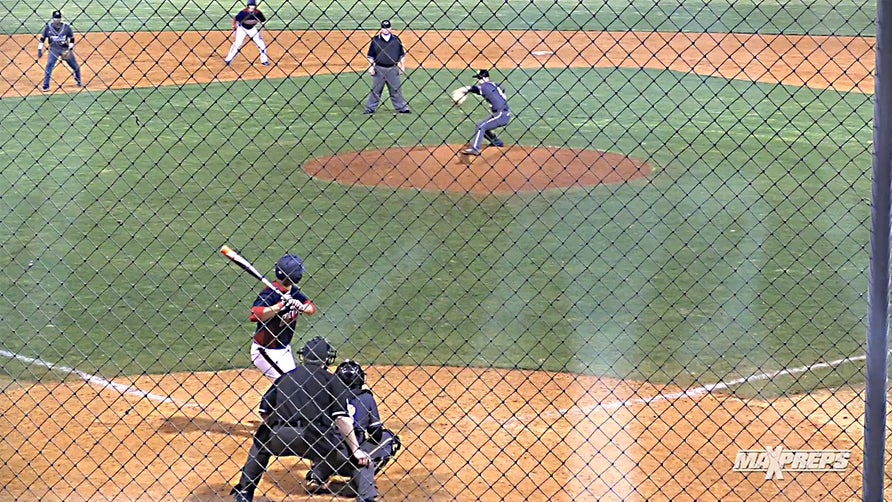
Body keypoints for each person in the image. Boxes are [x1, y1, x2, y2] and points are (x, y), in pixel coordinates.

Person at [231, 337, 376, 502]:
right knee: (362, 462)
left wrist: (278, 427)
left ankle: (243, 493)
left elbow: (264, 411)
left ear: (304, 356)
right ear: (326, 359)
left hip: (280, 436)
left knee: (260, 445)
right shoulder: (332, 380)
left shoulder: (286, 377)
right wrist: (356, 450)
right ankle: (365, 498)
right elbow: (341, 419)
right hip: (314, 438)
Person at [305, 360, 401, 494]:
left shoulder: (325, 397)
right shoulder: (367, 398)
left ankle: (316, 477)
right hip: (354, 459)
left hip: (327, 455)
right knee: (391, 439)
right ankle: (359, 481)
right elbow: (376, 434)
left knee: (316, 434)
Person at [247, 253, 316, 381]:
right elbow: (254, 314)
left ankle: (274, 400)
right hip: (265, 351)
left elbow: (311, 308)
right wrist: (279, 306)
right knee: (285, 384)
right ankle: (268, 401)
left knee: (293, 386)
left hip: (284, 349)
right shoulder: (270, 293)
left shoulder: (292, 291)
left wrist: (301, 306)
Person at [457, 69, 511, 156]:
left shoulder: (484, 86)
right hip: (503, 114)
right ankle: (497, 142)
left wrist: (461, 90)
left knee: (480, 126)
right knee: (483, 126)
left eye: (480, 78)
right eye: (478, 78)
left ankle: (474, 149)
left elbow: (472, 88)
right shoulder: (495, 85)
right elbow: (503, 92)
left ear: (486, 78)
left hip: (501, 115)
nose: (479, 81)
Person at [363, 19, 410, 114]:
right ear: (381, 29)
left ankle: (402, 108)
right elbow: (371, 55)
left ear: (390, 28)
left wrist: (402, 66)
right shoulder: (375, 40)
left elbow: (401, 54)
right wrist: (371, 67)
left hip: (393, 68)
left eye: (387, 28)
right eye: (383, 28)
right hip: (379, 68)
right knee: (376, 90)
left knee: (396, 90)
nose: (385, 30)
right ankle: (370, 108)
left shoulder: (396, 40)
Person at [38, 10, 82, 90]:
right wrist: (39, 49)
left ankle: (78, 81)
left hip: (64, 49)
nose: (57, 20)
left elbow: (72, 38)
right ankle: (46, 85)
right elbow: (42, 39)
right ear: (52, 19)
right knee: (49, 66)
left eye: (58, 18)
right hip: (53, 50)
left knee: (75, 67)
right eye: (55, 18)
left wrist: (70, 48)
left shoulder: (66, 27)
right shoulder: (48, 28)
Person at [224, 0, 270, 66]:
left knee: (261, 43)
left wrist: (260, 30)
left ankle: (264, 60)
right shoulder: (243, 12)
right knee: (238, 43)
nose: (252, 7)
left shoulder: (258, 13)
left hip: (252, 29)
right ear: (248, 6)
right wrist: (234, 29)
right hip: (242, 28)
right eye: (250, 5)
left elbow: (263, 20)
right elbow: (235, 19)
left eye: (253, 5)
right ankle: (228, 59)